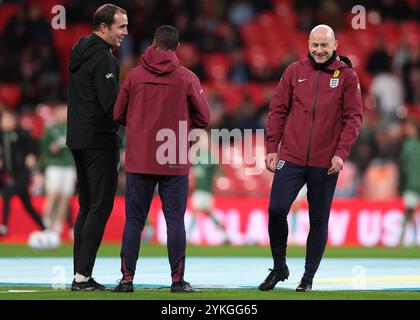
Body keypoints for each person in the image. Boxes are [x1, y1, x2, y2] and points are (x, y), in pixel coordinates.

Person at [260, 25, 363, 292]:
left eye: (324, 46)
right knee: (276, 210)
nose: (319, 51)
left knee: (318, 220)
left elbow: (353, 119)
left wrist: (341, 153)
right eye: (315, 45)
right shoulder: (294, 71)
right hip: (291, 157)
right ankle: (280, 267)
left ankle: (307, 278)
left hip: (325, 162)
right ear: (308, 44)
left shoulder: (347, 76)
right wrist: (272, 147)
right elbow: (277, 111)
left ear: (335, 45)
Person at [112, 25, 210, 293]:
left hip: (140, 158)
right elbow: (204, 118)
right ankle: (177, 281)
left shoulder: (133, 77)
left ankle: (126, 280)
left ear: (153, 43)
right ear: (178, 47)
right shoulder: (187, 78)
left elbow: (118, 113)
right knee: (174, 221)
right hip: (174, 157)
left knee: (134, 221)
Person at [66, 3, 128, 291]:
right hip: (99, 141)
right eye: (120, 27)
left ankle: (80, 275)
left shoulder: (79, 53)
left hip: (78, 139)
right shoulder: (104, 59)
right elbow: (110, 106)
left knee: (86, 207)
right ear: (104, 27)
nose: (125, 33)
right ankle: (82, 277)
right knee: (99, 207)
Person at [0, 109, 46, 236]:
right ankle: (44, 228)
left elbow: (36, 145)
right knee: (28, 206)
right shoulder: (2, 136)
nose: (3, 123)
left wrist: (32, 155)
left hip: (22, 173)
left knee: (6, 194)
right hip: (9, 175)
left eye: (6, 120)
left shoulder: (21, 133)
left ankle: (3, 226)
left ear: (13, 121)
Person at [39, 103, 76, 239]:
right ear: (56, 112)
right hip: (54, 165)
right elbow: (43, 148)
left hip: (69, 166)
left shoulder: (72, 128)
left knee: (65, 198)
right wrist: (51, 148)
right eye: (62, 112)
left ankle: (57, 228)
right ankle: (45, 225)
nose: (64, 114)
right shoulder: (50, 129)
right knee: (52, 196)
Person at [399, 118, 420, 246]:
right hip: (417, 183)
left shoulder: (408, 145)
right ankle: (413, 238)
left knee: (409, 210)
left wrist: (401, 184)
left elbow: (404, 165)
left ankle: (402, 238)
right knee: (411, 210)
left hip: (411, 183)